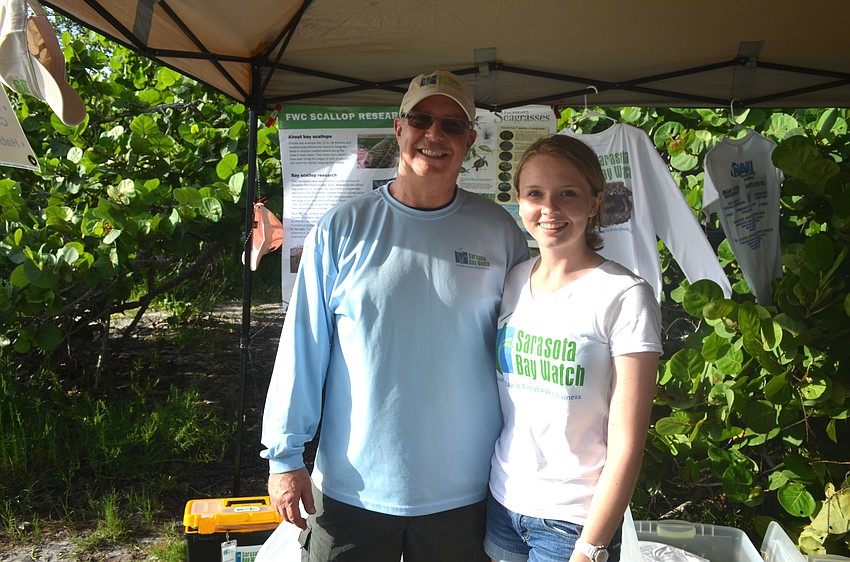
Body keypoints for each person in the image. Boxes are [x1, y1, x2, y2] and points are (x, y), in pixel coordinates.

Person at [261, 70, 529, 562]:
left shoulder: (499, 232)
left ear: (469, 140)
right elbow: (302, 350)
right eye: (422, 119)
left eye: (451, 125)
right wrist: (284, 456)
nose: (435, 134)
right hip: (352, 488)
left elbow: (521, 357)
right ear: (399, 127)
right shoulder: (343, 228)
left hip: (467, 490)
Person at [485, 135, 662, 562]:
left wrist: (592, 546)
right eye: (535, 194)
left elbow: (628, 442)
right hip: (501, 503)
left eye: (568, 193)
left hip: (573, 522)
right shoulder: (510, 281)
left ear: (595, 201)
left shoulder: (624, 295)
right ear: (519, 201)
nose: (550, 209)